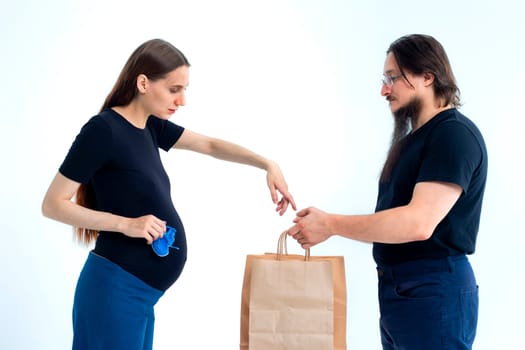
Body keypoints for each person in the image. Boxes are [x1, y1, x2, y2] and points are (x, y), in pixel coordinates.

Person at [41, 38, 296, 350]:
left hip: (140, 296)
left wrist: (267, 163)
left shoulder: (151, 126)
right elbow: (52, 204)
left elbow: (210, 145)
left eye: (185, 89)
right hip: (115, 292)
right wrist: (125, 224)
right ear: (143, 83)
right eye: (175, 89)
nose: (183, 100)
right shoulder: (103, 130)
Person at [287, 34, 487, 350]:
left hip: (432, 290)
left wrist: (331, 224)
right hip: (403, 293)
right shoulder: (414, 141)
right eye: (385, 79)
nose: (384, 89)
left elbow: (418, 224)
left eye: (392, 77)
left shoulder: (453, 135)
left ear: (427, 76)